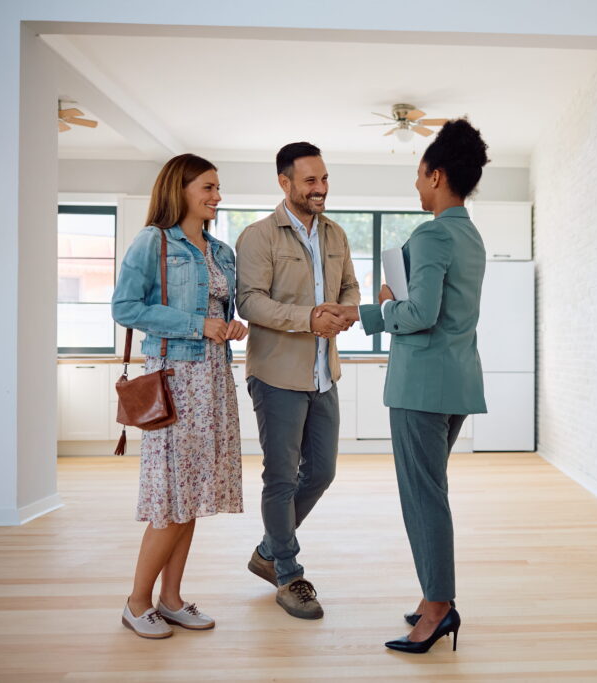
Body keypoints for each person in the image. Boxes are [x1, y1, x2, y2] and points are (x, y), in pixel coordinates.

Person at [318, 119, 489, 653]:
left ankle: (438, 609)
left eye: (419, 177)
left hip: (421, 385)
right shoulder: (469, 235)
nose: (416, 187)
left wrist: (379, 306)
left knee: (424, 498)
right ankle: (432, 597)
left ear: (437, 176)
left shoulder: (433, 233)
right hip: (457, 380)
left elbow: (420, 312)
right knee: (430, 492)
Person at [111, 153, 249, 639]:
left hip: (213, 379)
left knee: (190, 498)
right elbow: (126, 307)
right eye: (207, 187)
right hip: (175, 378)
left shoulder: (221, 251)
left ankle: (170, 600)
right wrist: (199, 325)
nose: (216, 196)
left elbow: (221, 313)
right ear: (181, 189)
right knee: (170, 500)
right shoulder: (154, 242)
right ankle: (136, 603)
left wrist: (231, 326)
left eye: (217, 188)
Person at [235, 142, 360, 620]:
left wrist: (344, 311)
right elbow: (250, 302)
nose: (320, 189)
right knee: (282, 478)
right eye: (310, 181)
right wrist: (309, 318)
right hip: (276, 375)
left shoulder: (336, 234)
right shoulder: (259, 236)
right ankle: (288, 573)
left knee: (322, 471)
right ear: (284, 183)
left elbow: (349, 285)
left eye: (324, 179)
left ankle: (269, 549)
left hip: (323, 373)